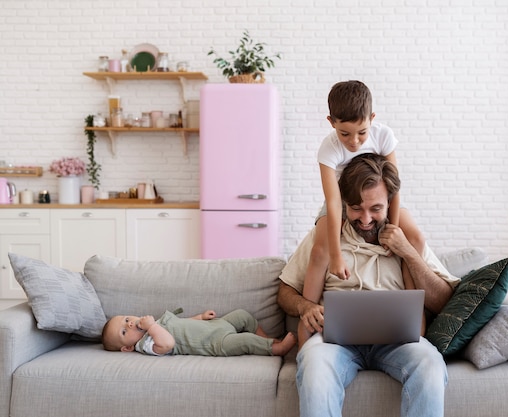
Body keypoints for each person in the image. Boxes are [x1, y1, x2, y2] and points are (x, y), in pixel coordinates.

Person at [277, 153, 460, 417]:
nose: (365, 219)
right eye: (356, 208)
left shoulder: (404, 237)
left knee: (430, 363)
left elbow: (444, 301)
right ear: (344, 204)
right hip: (334, 343)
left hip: (397, 343)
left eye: (375, 209)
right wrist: (305, 306)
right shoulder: (327, 236)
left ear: (389, 204)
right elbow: (284, 291)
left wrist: (407, 252)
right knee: (315, 365)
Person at [301, 80, 425, 345]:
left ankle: (416, 323)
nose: (354, 141)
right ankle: (305, 330)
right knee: (319, 248)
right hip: (343, 199)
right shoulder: (328, 149)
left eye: (361, 132)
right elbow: (333, 202)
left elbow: (394, 186)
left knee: (414, 239)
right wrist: (336, 256)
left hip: (377, 197)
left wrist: (393, 229)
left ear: (372, 119)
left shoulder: (383, 135)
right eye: (345, 133)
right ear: (331, 122)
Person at [102, 307, 296, 357]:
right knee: (245, 340)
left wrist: (200, 317)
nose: (128, 325)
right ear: (127, 348)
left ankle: (267, 339)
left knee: (242, 315)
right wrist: (152, 327)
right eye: (123, 332)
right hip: (216, 343)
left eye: (126, 320)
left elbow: (181, 323)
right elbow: (168, 343)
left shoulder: (157, 324)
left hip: (215, 326)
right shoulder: (147, 344)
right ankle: (276, 349)